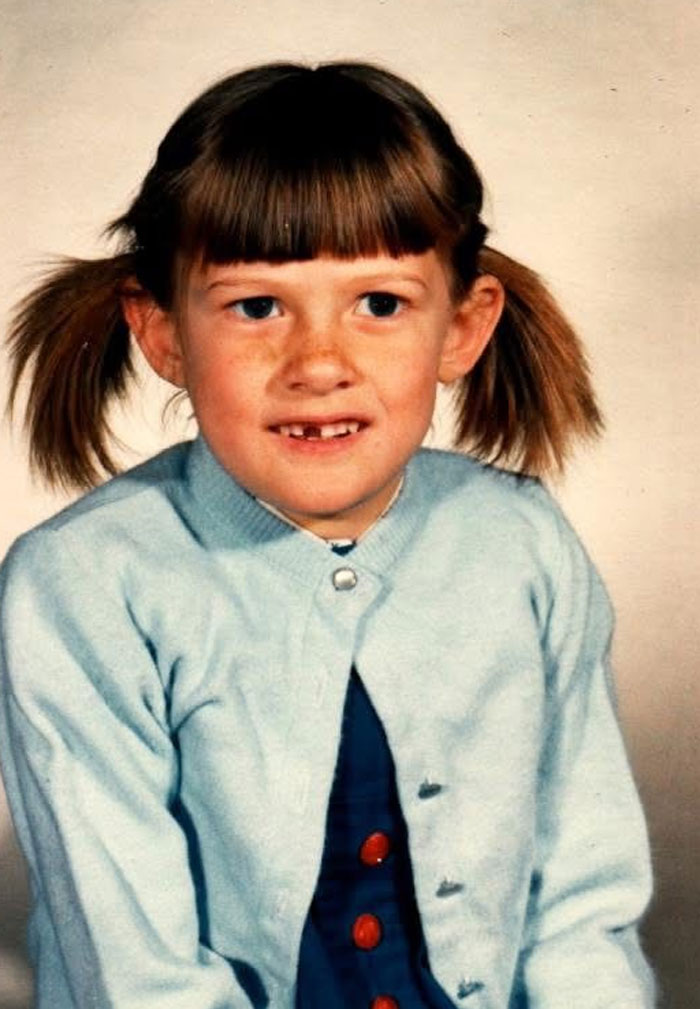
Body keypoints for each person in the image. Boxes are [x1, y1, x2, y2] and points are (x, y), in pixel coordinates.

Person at [0, 62, 654, 1009]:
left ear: (462, 330)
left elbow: (580, 902)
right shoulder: (82, 586)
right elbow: (134, 969)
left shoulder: (522, 541)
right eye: (256, 306)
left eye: (380, 304)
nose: (319, 363)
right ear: (163, 332)